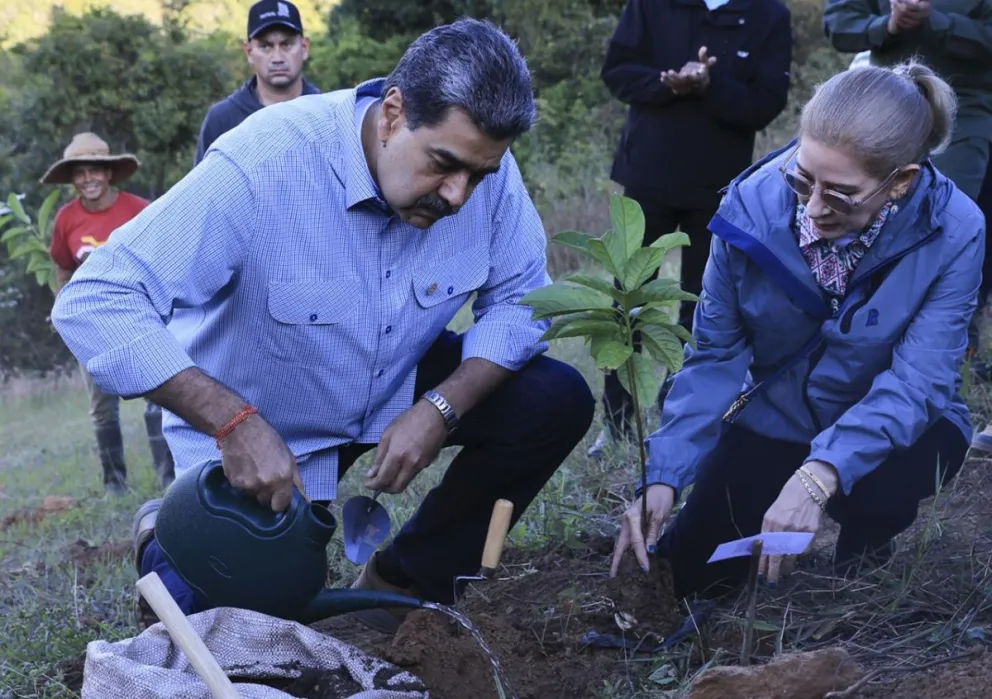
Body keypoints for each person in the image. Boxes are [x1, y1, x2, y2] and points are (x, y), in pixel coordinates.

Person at [50, 18, 595, 633]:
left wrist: (441, 407)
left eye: (478, 174)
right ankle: (167, 527)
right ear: (393, 113)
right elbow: (96, 298)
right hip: (258, 419)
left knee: (555, 399)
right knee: (231, 626)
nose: (459, 195)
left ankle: (401, 583)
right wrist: (232, 421)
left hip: (390, 382)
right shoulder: (267, 160)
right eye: (443, 164)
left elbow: (525, 298)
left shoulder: (481, 170)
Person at [609, 60, 982, 601]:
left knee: (889, 481)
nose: (812, 209)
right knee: (692, 575)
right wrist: (663, 474)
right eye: (802, 179)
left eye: (840, 194)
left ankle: (867, 542)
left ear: (901, 182)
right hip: (777, 417)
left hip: (891, 421)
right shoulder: (748, 209)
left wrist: (821, 472)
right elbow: (714, 355)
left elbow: (920, 382)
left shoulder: (955, 229)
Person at [592, 0, 793, 457]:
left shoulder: (768, 15)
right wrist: (666, 82)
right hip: (648, 172)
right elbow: (617, 71)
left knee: (703, 305)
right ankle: (617, 423)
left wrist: (710, 83)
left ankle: (676, 416)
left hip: (719, 185)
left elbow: (766, 103)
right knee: (628, 300)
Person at [42, 132, 176, 493]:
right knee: (102, 408)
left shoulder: (139, 210)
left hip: (142, 319)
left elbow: (164, 261)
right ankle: (115, 485)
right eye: (80, 172)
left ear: (110, 173)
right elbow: (64, 269)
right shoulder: (66, 219)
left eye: (95, 170)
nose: (88, 179)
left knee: (161, 396)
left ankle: (170, 479)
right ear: (72, 179)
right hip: (91, 326)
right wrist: (61, 308)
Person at [194, 0, 320, 165]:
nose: (277, 58)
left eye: (287, 45)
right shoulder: (222, 120)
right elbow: (204, 188)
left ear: (304, 47)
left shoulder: (327, 115)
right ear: (249, 51)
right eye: (265, 46)